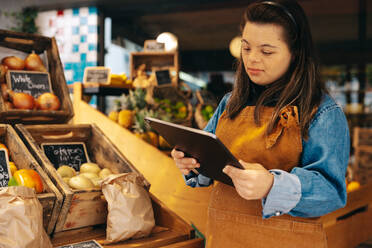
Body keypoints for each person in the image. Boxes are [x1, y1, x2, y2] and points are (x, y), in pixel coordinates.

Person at [171, 0, 350, 247]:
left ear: (295, 53)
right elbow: (210, 162)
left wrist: (272, 185)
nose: (252, 59)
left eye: (266, 51)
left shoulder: (322, 111)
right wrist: (190, 162)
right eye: (246, 48)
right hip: (224, 237)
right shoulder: (230, 103)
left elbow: (331, 191)